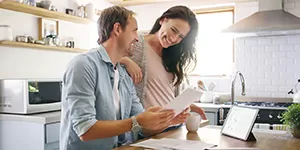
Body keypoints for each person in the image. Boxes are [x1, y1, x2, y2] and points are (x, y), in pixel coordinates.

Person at [59, 6, 190, 150]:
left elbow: (141, 128)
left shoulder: (124, 75)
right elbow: (85, 129)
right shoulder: (83, 65)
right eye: (134, 31)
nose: (136, 38)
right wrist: (136, 121)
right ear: (117, 29)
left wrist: (167, 120)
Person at [121, 5, 207, 123]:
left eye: (181, 36)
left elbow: (166, 94)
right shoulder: (137, 44)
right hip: (149, 129)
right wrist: (126, 61)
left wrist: (188, 105)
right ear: (163, 20)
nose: (174, 39)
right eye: (173, 30)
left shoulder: (174, 56)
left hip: (172, 126)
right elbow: (103, 54)